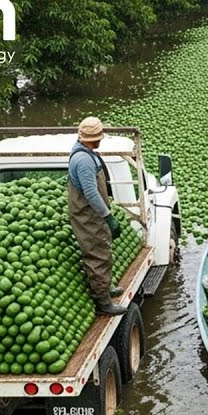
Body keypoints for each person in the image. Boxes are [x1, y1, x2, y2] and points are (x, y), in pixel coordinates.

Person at [68, 116, 127, 316]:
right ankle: (103, 302)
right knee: (97, 255)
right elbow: (91, 193)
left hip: (93, 215)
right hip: (88, 216)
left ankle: (105, 289)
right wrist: (108, 217)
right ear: (93, 139)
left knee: (103, 251)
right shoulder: (83, 160)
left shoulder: (86, 153)